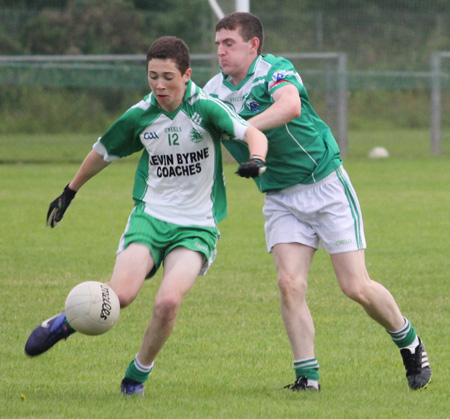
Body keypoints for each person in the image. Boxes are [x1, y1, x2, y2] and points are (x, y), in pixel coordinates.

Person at [25, 36, 268, 396]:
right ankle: (65, 323)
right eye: (152, 76)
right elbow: (102, 152)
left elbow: (251, 132)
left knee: (168, 302)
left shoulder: (206, 108)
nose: (159, 85)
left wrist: (258, 160)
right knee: (120, 296)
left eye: (168, 77)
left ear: (186, 75)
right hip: (150, 218)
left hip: (197, 226)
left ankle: (137, 374)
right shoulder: (140, 115)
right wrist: (70, 190)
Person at [203, 12, 431, 391]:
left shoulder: (275, 70)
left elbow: (290, 106)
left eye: (229, 44)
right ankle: (307, 376)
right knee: (289, 283)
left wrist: (243, 127)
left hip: (324, 184)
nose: (221, 52)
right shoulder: (213, 92)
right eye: (218, 45)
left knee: (355, 286)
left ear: (253, 45)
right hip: (279, 196)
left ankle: (409, 341)